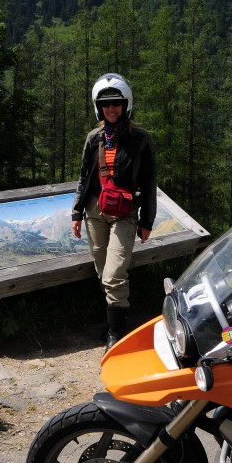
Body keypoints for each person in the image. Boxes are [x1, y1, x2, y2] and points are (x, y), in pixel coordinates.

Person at [72, 73, 157, 350]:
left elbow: (148, 181)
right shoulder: (94, 138)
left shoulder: (140, 139)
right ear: (98, 107)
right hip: (94, 211)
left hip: (125, 213)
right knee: (102, 268)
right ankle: (116, 320)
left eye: (116, 103)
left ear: (126, 105)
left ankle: (116, 335)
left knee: (114, 274)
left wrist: (147, 220)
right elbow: (85, 178)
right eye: (106, 104)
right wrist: (76, 213)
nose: (111, 109)